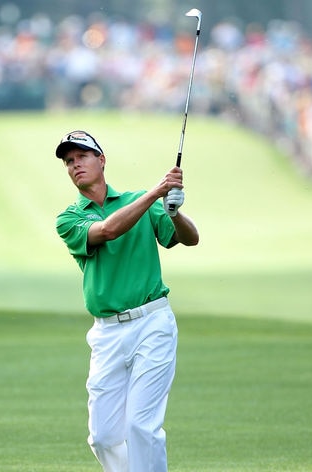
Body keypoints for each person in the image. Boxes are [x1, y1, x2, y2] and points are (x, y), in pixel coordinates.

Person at [54, 130, 199, 472]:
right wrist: (156, 192)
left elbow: (190, 239)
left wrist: (175, 212)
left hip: (153, 323)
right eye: (69, 162)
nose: (76, 165)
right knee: (103, 437)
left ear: (101, 160)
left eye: (82, 157)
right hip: (107, 334)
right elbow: (107, 231)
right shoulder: (69, 218)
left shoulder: (138, 201)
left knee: (140, 426)